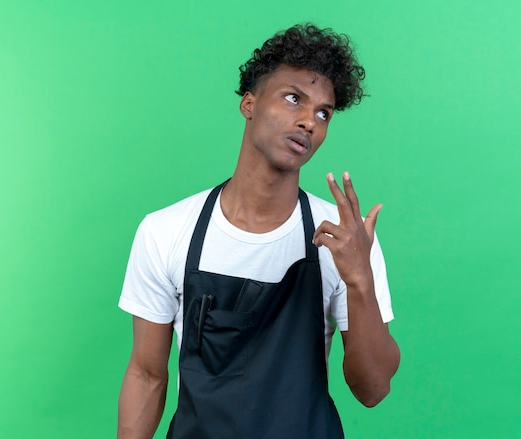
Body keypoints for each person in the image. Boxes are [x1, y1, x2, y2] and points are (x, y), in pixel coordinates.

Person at [117, 23, 400, 439]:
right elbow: (146, 374)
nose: (309, 121)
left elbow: (373, 389)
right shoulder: (166, 231)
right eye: (293, 99)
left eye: (323, 112)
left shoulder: (345, 242)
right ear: (249, 103)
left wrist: (360, 278)